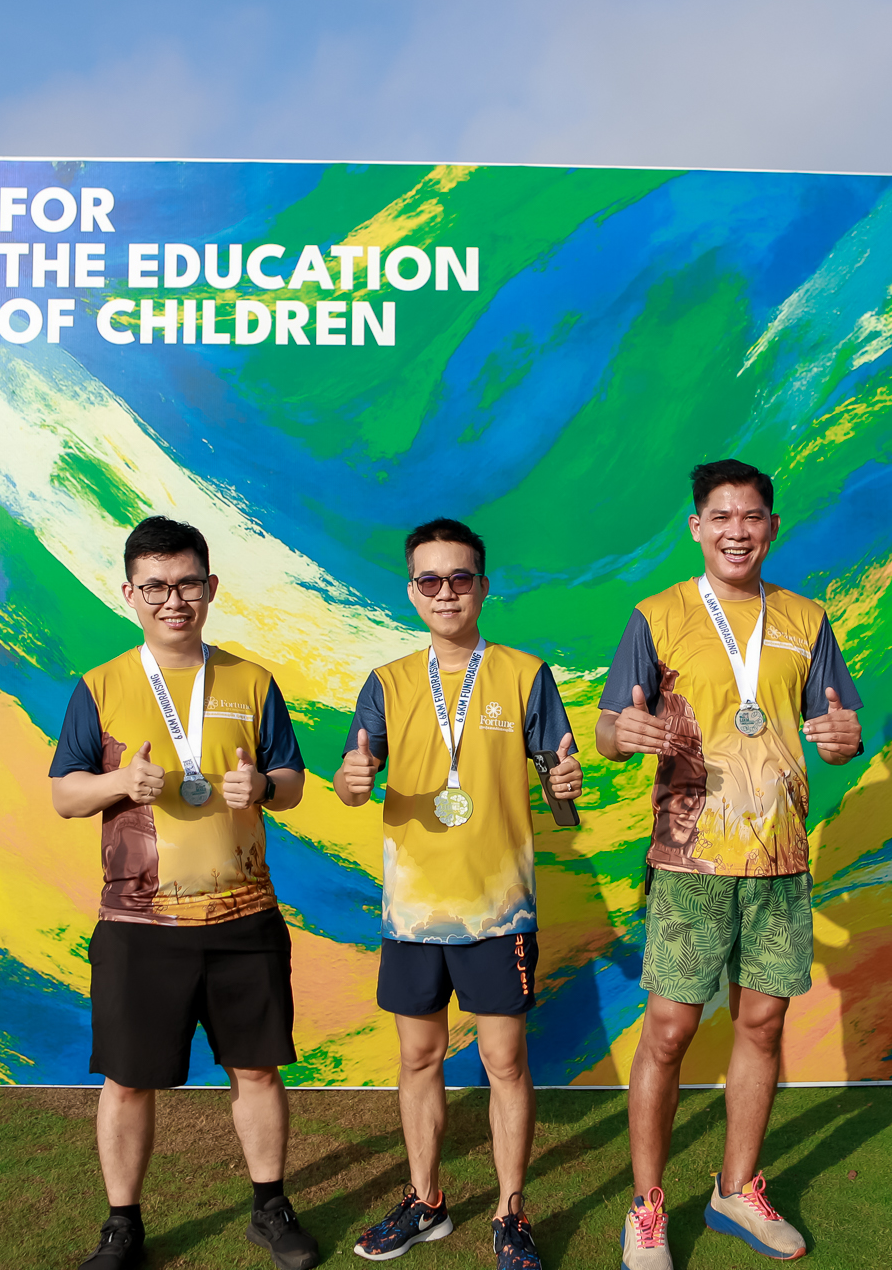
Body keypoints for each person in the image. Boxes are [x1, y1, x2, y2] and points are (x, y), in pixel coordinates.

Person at [595, 460, 864, 1267]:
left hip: (780, 860)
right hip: (691, 862)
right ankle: (646, 1207)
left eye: (751, 516)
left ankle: (735, 1188)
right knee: (669, 1029)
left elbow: (837, 729)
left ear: (772, 528)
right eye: (721, 516)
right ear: (697, 527)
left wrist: (845, 741)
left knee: (762, 1023)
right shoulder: (658, 615)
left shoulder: (807, 619)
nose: (736, 530)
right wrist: (619, 735)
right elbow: (610, 727)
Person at [49, 515, 322, 1270]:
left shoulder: (251, 680)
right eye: (156, 587)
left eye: (188, 584)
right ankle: (121, 1226)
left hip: (244, 915)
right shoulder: (101, 686)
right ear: (129, 593)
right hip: (139, 922)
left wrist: (262, 786)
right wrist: (117, 781)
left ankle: (270, 1208)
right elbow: (65, 795)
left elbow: (292, 781)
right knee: (128, 1079)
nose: (174, 600)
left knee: (256, 1068)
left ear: (211, 588)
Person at [333, 518, 583, 1270]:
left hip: (498, 907)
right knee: (419, 1056)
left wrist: (565, 789)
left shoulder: (526, 674)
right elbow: (353, 780)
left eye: (460, 578)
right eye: (430, 580)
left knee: (504, 1061)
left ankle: (511, 1213)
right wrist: (350, 782)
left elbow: (562, 799)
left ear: (483, 585)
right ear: (412, 591)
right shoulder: (386, 683)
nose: (446, 592)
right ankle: (426, 1201)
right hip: (413, 912)